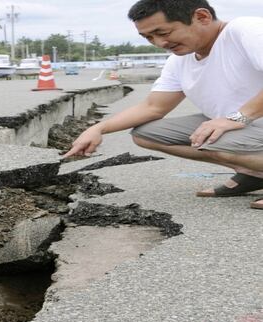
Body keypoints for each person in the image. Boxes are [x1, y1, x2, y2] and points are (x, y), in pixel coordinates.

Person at [64, 0, 263, 209]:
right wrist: (98, 128)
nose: (159, 43)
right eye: (149, 37)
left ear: (202, 17)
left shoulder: (245, 30)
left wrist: (237, 118)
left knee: (214, 141)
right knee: (146, 134)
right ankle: (253, 174)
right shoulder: (180, 60)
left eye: (164, 32)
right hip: (245, 124)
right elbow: (153, 107)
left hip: (247, 121)